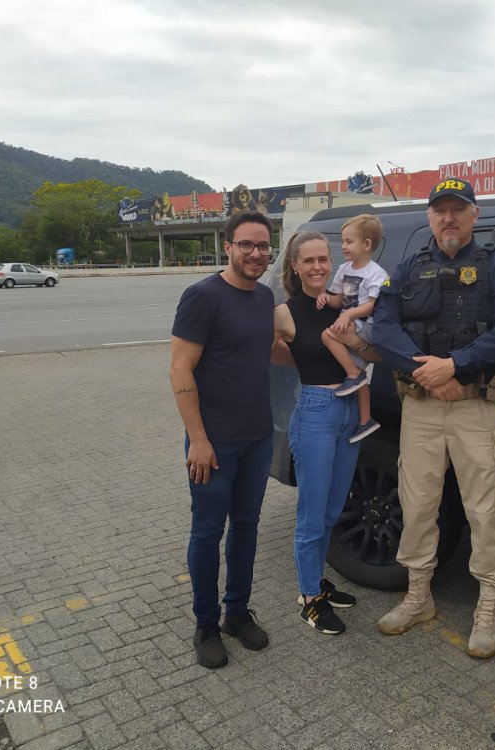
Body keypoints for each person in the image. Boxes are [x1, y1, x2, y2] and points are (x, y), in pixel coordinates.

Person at [371, 178, 495, 659]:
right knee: (417, 503)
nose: (448, 218)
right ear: (429, 218)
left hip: (476, 406)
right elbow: (383, 323)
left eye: (458, 210)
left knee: (486, 508)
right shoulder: (408, 269)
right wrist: (428, 372)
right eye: (440, 210)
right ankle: (419, 596)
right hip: (421, 405)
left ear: (475, 215)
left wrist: (456, 365)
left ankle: (488, 606)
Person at [169, 210, 276, 669]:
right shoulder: (202, 297)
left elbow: (266, 349)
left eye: (263, 246)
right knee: (208, 532)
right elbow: (179, 368)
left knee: (247, 526)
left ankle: (236, 612)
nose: (256, 254)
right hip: (214, 442)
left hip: (257, 436)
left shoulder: (265, 296)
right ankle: (206, 624)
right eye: (246, 245)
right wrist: (198, 438)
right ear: (227, 246)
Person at [275, 230, 377, 635]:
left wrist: (355, 339)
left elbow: (373, 353)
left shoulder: (345, 304)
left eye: (323, 259)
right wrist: (302, 359)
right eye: (309, 261)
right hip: (316, 411)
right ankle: (308, 597)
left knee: (333, 510)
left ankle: (317, 581)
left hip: (351, 409)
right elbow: (263, 348)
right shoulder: (284, 313)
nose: (318, 267)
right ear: (295, 266)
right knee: (311, 516)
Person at [317, 213, 388, 443]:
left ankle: (353, 374)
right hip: (349, 326)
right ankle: (365, 421)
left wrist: (348, 313)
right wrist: (325, 298)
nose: (344, 246)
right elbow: (339, 300)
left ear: (367, 244)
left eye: (349, 241)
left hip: (365, 326)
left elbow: (372, 306)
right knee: (359, 380)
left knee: (328, 335)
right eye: (343, 240)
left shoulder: (375, 273)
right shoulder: (343, 270)